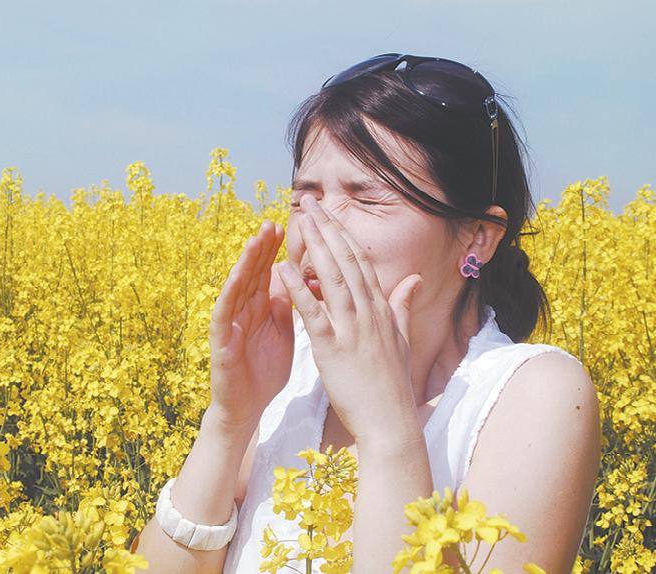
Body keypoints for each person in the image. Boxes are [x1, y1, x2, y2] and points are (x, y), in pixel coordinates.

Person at [132, 53, 601, 573]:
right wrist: (229, 421)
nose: (317, 227)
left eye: (367, 198)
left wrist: (386, 430)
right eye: (304, 199)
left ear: (477, 237)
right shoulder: (293, 376)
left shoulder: (536, 395)